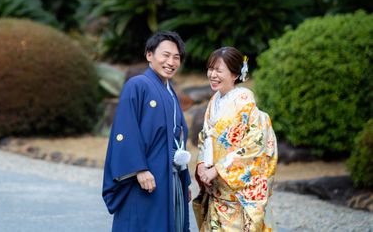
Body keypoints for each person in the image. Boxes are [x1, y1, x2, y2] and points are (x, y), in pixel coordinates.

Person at [102, 31, 191, 232]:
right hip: (146, 177)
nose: (171, 62)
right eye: (165, 55)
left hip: (170, 178)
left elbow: (177, 139)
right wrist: (139, 169)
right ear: (149, 55)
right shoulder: (137, 85)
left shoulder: (170, 92)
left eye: (176, 57)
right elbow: (125, 130)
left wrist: (184, 181)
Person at [194, 47, 277, 231]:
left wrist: (218, 169)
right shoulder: (215, 100)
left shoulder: (245, 102)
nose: (212, 75)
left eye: (218, 70)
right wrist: (201, 164)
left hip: (235, 193)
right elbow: (205, 137)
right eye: (210, 69)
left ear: (234, 74)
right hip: (216, 188)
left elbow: (253, 146)